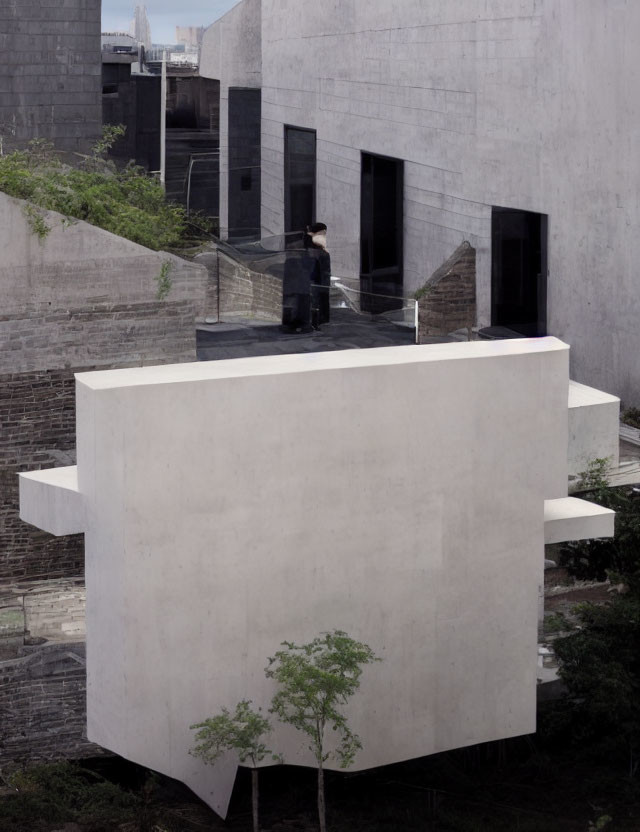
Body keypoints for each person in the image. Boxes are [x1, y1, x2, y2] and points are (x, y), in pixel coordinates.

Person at [305, 222, 331, 326]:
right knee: (315, 301)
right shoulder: (313, 249)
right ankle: (315, 323)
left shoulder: (320, 249)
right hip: (316, 280)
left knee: (320, 300)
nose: (324, 235)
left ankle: (319, 321)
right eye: (323, 233)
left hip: (322, 280)